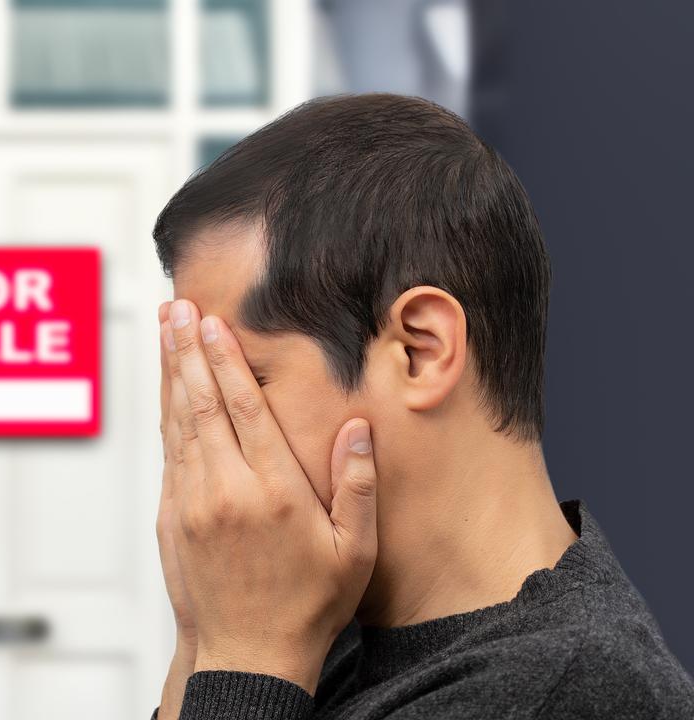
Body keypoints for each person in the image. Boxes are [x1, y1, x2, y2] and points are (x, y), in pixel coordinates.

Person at [148, 93, 694, 720]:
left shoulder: (570, 693)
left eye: (240, 379)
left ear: (420, 351)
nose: (199, 436)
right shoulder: (314, 635)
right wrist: (202, 639)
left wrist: (245, 657)